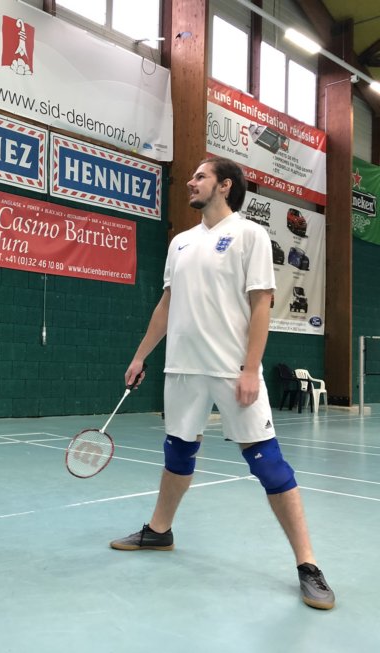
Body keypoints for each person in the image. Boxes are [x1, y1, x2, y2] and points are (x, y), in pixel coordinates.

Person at [110, 157, 335, 610]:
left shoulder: (250, 235)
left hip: (232, 373)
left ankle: (308, 565)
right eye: (193, 176)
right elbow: (167, 305)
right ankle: (159, 531)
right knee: (177, 454)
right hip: (182, 370)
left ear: (224, 185)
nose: (191, 182)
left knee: (269, 466)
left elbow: (260, 306)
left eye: (200, 177)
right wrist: (140, 356)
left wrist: (251, 368)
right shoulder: (180, 243)